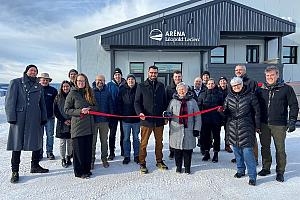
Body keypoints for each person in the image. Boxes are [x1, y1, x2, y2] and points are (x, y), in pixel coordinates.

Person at [5, 64, 49, 183]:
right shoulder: (16, 82)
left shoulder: (38, 86)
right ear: (26, 71)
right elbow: (9, 101)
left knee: (36, 142)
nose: (33, 72)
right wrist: (11, 117)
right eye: (31, 70)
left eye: (35, 71)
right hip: (19, 119)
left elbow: (42, 103)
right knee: (16, 144)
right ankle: (15, 171)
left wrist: (44, 117)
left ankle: (34, 166)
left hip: (35, 118)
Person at [257, 66, 299, 182]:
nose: (270, 77)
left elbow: (294, 105)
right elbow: (256, 107)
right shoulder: (261, 89)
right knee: (265, 147)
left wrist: (292, 121)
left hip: (279, 124)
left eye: (272, 75)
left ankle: (280, 171)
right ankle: (266, 167)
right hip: (264, 124)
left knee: (280, 149)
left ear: (277, 75)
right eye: (267, 75)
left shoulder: (286, 89)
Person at [223, 77, 261, 186]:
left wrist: (257, 126)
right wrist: (222, 111)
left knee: (248, 153)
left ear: (242, 84)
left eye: (238, 84)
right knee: (237, 151)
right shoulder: (228, 97)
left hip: (246, 127)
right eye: (234, 85)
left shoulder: (251, 96)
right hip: (232, 127)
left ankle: (252, 176)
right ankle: (240, 170)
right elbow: (225, 113)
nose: (236, 87)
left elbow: (257, 112)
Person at [134, 65, 168, 174]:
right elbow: (137, 102)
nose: (153, 75)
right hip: (146, 120)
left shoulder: (161, 86)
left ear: (157, 74)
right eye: (151, 73)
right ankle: (142, 162)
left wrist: (165, 115)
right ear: (148, 73)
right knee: (144, 143)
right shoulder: (141, 86)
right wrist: (140, 113)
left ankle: (159, 161)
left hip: (158, 120)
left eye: (155, 73)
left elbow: (164, 102)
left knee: (159, 142)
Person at [64, 73, 97, 179]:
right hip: (78, 126)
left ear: (86, 82)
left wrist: (90, 109)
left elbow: (96, 106)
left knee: (87, 150)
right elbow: (66, 110)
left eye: (83, 81)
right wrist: (80, 111)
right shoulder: (72, 93)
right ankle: (79, 172)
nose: (81, 83)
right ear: (76, 82)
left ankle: (86, 170)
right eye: (79, 81)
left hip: (89, 125)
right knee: (78, 151)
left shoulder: (90, 92)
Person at [167, 82, 201, 174]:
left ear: (186, 90)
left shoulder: (192, 101)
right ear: (177, 91)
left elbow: (197, 116)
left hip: (189, 129)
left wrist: (197, 129)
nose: (182, 91)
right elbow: (168, 112)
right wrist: (167, 115)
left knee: (188, 150)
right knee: (177, 150)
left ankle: (187, 167)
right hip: (176, 130)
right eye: (180, 89)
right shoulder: (173, 101)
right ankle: (178, 166)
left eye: (183, 89)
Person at [231, 64, 259, 164]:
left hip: (249, 116)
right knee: (237, 138)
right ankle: (240, 158)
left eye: (240, 70)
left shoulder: (251, 82)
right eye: (236, 70)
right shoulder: (233, 81)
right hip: (237, 116)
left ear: (245, 71)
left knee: (251, 139)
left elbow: (256, 99)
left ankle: (254, 158)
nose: (238, 71)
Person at [198, 78, 223, 162]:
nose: (210, 85)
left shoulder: (219, 94)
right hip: (205, 119)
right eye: (209, 84)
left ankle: (216, 153)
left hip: (216, 119)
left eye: (212, 83)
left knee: (216, 137)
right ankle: (206, 153)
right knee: (206, 137)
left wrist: (221, 111)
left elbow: (223, 105)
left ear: (215, 84)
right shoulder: (202, 94)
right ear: (206, 85)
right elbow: (199, 106)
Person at [118, 74, 140, 164]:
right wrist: (121, 114)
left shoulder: (139, 89)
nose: (131, 81)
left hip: (136, 120)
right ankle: (127, 156)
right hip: (126, 120)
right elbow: (119, 103)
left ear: (135, 81)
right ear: (126, 81)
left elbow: (141, 102)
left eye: (132, 79)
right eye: (129, 79)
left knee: (136, 138)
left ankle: (136, 155)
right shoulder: (122, 90)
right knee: (126, 138)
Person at [92, 74, 113, 169]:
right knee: (93, 142)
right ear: (95, 81)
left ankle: (104, 159)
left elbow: (110, 106)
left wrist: (111, 119)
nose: (100, 82)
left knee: (104, 141)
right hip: (93, 121)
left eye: (102, 80)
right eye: (98, 80)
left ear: (104, 82)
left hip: (104, 122)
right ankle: (91, 160)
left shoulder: (107, 92)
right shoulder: (91, 92)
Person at [106, 68, 126, 160]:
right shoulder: (109, 85)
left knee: (124, 133)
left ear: (121, 75)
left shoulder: (125, 84)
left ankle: (123, 150)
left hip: (123, 113)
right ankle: (112, 152)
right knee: (112, 134)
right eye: (116, 75)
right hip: (112, 114)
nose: (117, 76)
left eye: (119, 75)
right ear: (113, 76)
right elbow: (106, 99)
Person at [39, 73, 58, 160]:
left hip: (50, 117)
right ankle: (39, 153)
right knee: (39, 136)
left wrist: (55, 113)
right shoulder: (36, 89)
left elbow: (57, 103)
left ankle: (49, 152)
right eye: (43, 79)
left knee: (50, 135)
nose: (45, 81)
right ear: (40, 80)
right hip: (38, 118)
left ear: (49, 81)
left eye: (47, 80)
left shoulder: (53, 90)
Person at [54, 80, 72, 168]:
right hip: (61, 123)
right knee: (62, 143)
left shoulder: (72, 96)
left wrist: (71, 120)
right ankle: (63, 159)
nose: (65, 88)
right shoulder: (57, 97)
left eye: (67, 86)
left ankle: (69, 157)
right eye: (64, 86)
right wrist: (64, 120)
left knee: (69, 142)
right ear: (61, 87)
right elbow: (55, 111)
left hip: (71, 122)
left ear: (70, 87)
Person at [165, 70, 183, 160]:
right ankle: (172, 151)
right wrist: (166, 116)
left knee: (183, 133)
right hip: (173, 115)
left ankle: (181, 149)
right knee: (173, 133)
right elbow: (165, 102)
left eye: (179, 76)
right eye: (176, 76)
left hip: (184, 115)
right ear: (173, 77)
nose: (177, 78)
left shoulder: (185, 87)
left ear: (181, 77)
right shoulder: (168, 88)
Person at [191, 76, 206, 152]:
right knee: (191, 131)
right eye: (196, 81)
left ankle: (202, 148)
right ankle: (190, 148)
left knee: (202, 132)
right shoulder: (190, 91)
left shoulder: (204, 91)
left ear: (202, 83)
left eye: (199, 82)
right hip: (191, 115)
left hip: (201, 114)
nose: (198, 83)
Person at [218, 76, 233, 153]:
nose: (222, 83)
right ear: (219, 83)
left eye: (224, 81)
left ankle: (227, 145)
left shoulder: (230, 91)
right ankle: (216, 144)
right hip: (218, 114)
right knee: (217, 130)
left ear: (226, 83)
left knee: (228, 131)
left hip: (228, 114)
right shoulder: (217, 91)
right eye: (221, 82)